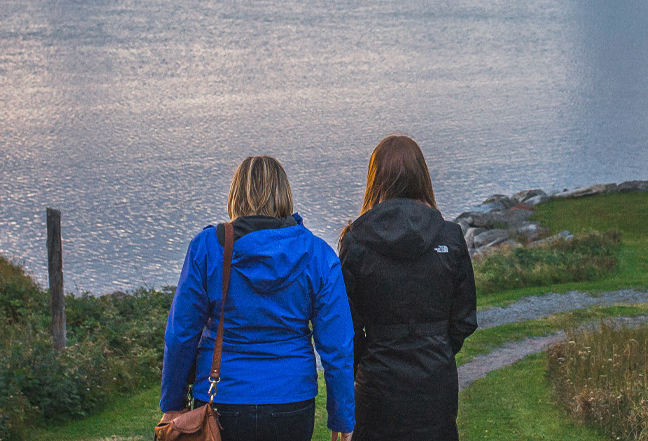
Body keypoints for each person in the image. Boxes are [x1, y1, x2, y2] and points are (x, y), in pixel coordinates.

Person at [159, 155, 355, 441]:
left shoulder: (206, 249)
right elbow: (337, 345)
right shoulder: (317, 254)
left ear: (236, 194)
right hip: (292, 399)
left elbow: (181, 334)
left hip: (220, 398)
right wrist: (342, 416)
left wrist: (173, 404)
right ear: (284, 193)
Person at [338, 135, 477, 441]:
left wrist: (369, 357)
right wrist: (435, 343)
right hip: (435, 379)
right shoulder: (450, 237)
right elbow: (464, 318)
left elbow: (347, 326)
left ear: (375, 179)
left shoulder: (355, 241)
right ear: (422, 175)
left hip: (377, 382)